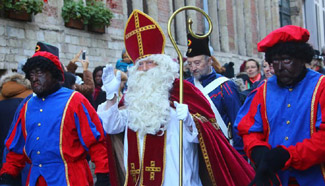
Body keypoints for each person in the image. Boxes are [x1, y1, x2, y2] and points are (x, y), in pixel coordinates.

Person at [98, 9, 254, 186]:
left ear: (163, 65)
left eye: (150, 62)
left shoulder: (183, 91)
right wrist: (111, 95)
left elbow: (206, 137)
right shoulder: (133, 98)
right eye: (140, 64)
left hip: (178, 178)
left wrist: (190, 120)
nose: (145, 69)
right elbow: (112, 127)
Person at [0, 42, 110, 186]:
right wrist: (8, 175)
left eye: (39, 72)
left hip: (70, 178)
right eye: (31, 74)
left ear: (53, 73)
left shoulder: (75, 100)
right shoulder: (26, 106)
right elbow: (16, 149)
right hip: (36, 180)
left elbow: (96, 143)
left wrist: (103, 176)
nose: (34, 78)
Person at [235, 25, 325, 186]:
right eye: (275, 61)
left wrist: (288, 155)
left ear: (302, 59)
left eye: (286, 60)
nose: (280, 67)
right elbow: (249, 130)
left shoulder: (321, 87)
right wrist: (257, 150)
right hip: (275, 180)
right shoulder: (263, 90)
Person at [185, 33, 244, 155]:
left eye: (197, 63)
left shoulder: (225, 86)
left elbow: (237, 122)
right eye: (190, 64)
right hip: (194, 151)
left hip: (221, 149)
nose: (193, 68)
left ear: (209, 61)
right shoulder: (186, 86)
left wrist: (239, 155)